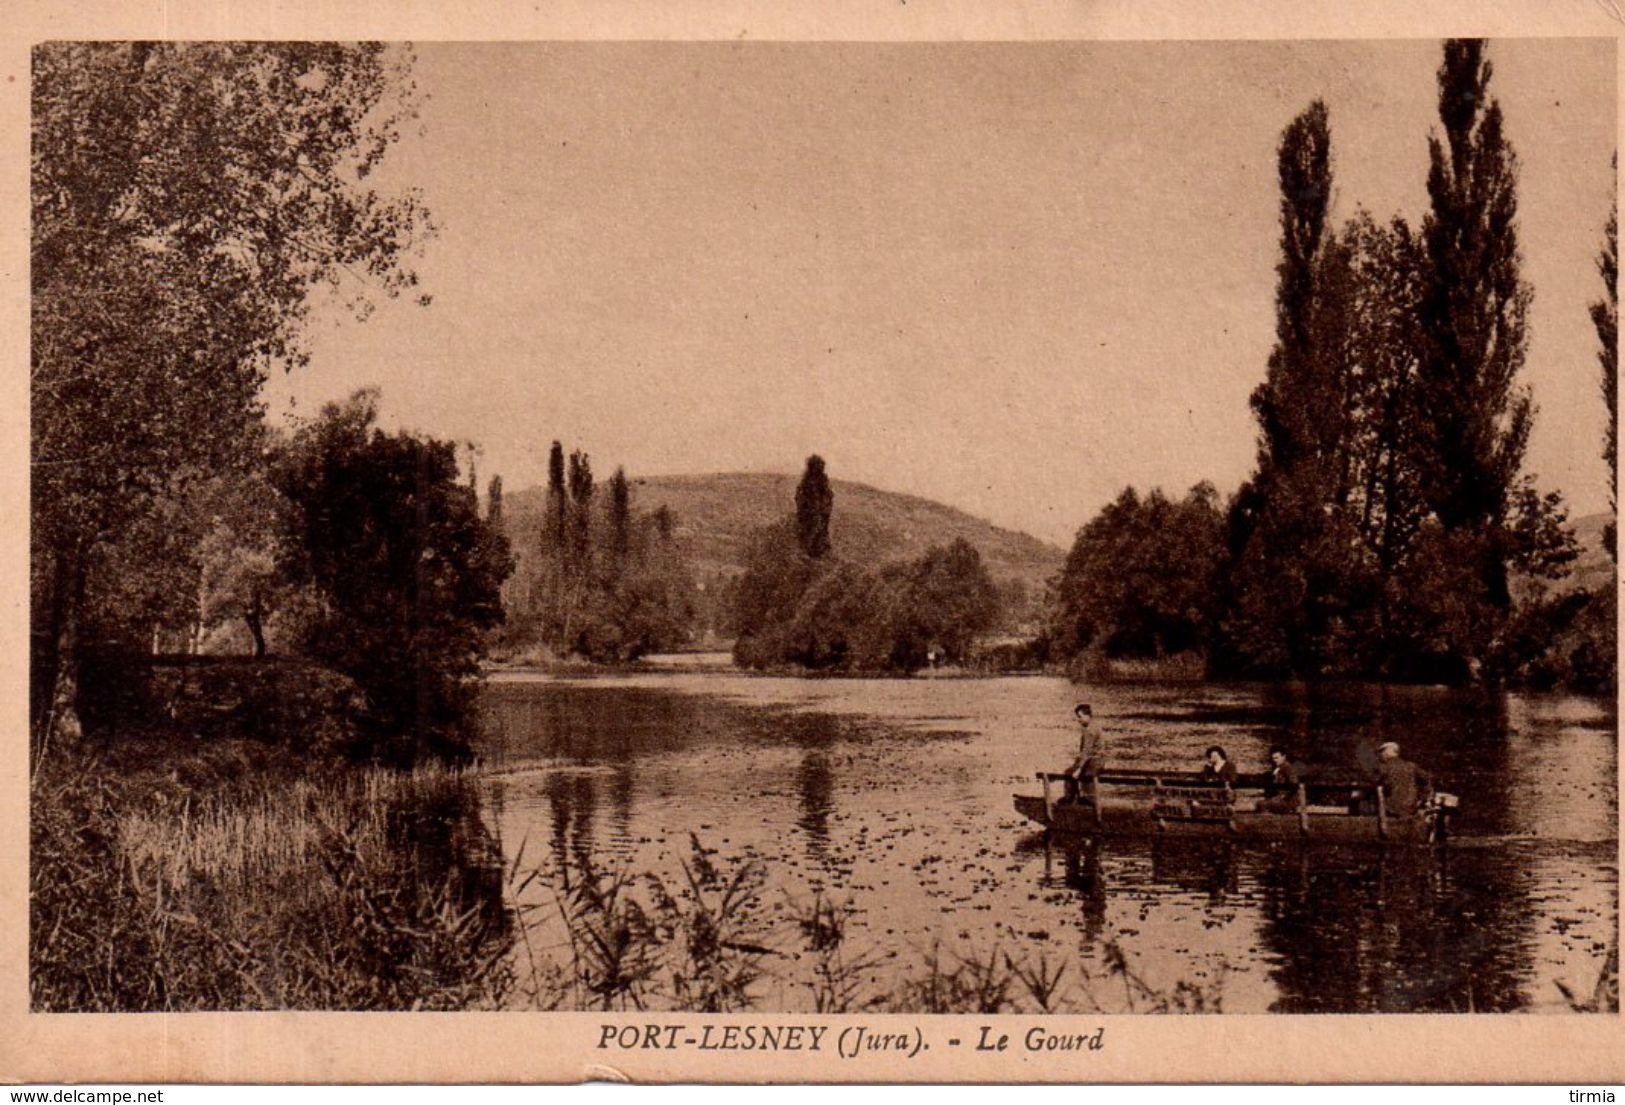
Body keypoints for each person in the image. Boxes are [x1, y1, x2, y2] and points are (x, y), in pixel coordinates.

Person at [1373, 740, 1431, 816]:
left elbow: (1374, 786)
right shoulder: (1412, 766)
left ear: (1387, 753)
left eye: (1382, 752)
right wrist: (1422, 799)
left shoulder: (1383, 768)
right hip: (1410, 808)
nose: (1381, 755)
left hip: (1390, 810)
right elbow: (1426, 780)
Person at [1064, 703, 1102, 800]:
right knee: (1071, 771)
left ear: (1087, 716)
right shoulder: (1094, 726)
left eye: (1080, 717)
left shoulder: (1090, 730)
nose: (1078, 719)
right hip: (1097, 760)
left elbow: (1086, 751)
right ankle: (1078, 797)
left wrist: (1079, 769)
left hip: (1092, 762)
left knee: (1070, 773)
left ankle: (1071, 798)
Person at [1260, 746, 1299, 812]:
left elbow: (1294, 784)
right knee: (1261, 803)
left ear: (1283, 757)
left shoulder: (1288, 768)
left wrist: (1283, 796)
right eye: (1273, 758)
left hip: (1287, 800)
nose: (1274, 760)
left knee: (1262, 804)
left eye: (1277, 758)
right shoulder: (1277, 768)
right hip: (1278, 797)